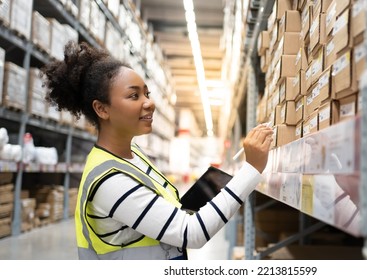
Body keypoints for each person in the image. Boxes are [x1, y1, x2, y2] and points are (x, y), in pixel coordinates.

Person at [41, 41, 273, 260]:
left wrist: (205, 192)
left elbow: (164, 208)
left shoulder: (133, 154)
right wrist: (251, 170)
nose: (149, 103)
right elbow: (190, 233)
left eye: (147, 94)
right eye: (134, 95)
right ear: (102, 109)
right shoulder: (109, 181)